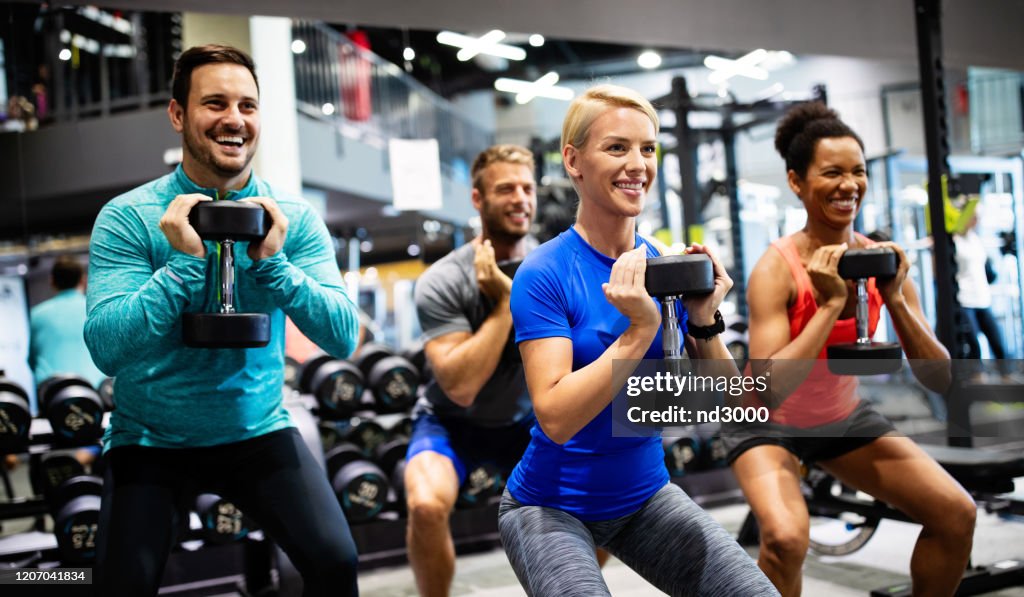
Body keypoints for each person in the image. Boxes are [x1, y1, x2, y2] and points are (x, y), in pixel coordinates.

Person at [84, 45, 360, 596]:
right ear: (178, 115)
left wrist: (275, 266)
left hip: (256, 430)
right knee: (120, 585)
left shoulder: (293, 219)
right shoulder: (128, 218)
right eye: (215, 103)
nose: (234, 119)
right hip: (150, 439)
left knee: (335, 562)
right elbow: (107, 349)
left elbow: (343, 336)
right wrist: (183, 265)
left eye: (248, 106)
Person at [498, 84, 778, 596]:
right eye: (617, 147)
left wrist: (704, 318)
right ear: (574, 160)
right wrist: (638, 333)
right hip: (550, 503)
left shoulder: (666, 266)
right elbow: (556, 418)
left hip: (644, 495)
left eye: (648, 149)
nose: (637, 164)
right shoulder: (544, 272)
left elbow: (724, 404)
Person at [727, 102, 975, 596]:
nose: (849, 185)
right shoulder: (775, 269)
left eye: (858, 171)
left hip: (839, 419)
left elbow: (939, 377)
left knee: (956, 513)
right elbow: (770, 388)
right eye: (832, 172)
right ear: (797, 182)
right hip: (765, 423)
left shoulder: (879, 259)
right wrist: (830, 305)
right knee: (785, 538)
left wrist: (897, 299)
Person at [406, 144, 547, 596]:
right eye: (506, 188)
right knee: (426, 505)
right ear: (477, 199)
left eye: (527, 188)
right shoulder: (444, 280)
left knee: (599, 491)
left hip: (528, 419)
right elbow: (461, 388)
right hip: (451, 421)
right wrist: (506, 303)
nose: (520, 199)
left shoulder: (553, 267)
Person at [29, 254, 104, 390]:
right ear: (84, 280)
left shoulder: (36, 315)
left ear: (52, 281)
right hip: (97, 394)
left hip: (54, 396)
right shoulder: (96, 311)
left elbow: (31, 361)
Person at [954, 210, 1010, 371]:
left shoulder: (975, 239)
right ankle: (977, 382)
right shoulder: (954, 241)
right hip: (964, 299)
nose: (976, 221)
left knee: (998, 344)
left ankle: (1007, 379)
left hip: (983, 298)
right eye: (973, 217)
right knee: (974, 346)